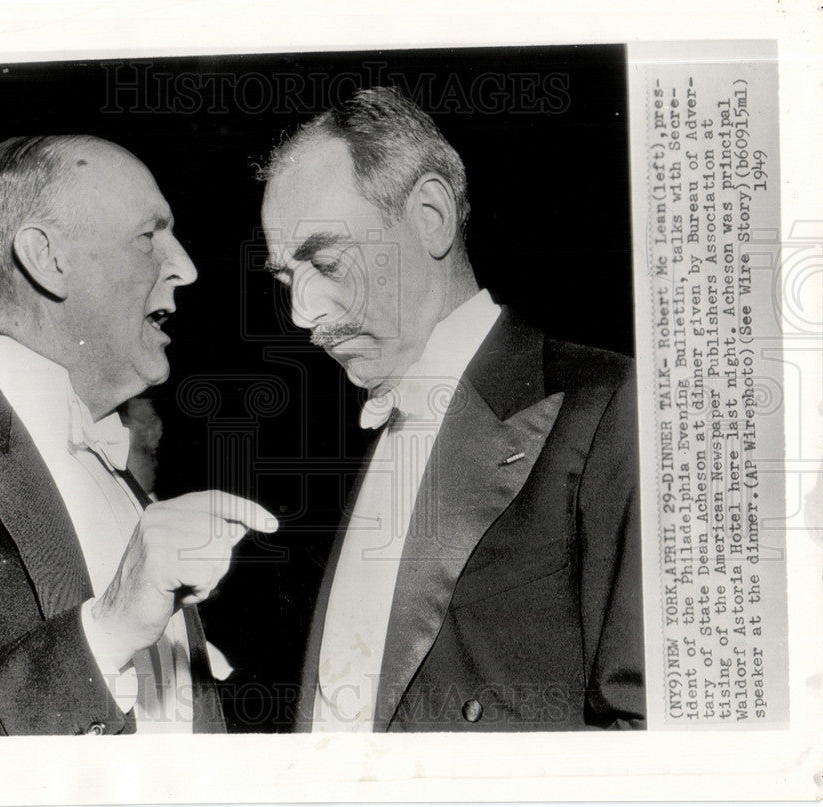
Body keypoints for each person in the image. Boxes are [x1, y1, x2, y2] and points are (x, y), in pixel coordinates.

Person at [0, 135, 276, 737]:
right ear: (47, 258)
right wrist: (105, 631)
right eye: (150, 235)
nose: (185, 266)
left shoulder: (123, 478)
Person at [259, 87, 644, 732]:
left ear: (432, 215)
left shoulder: (611, 405)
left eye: (325, 261)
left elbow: (654, 737)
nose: (303, 314)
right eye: (283, 278)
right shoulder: (372, 424)